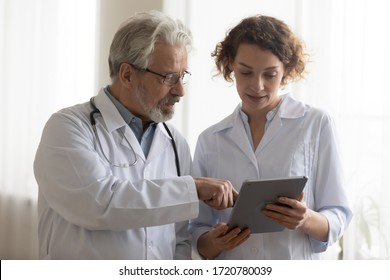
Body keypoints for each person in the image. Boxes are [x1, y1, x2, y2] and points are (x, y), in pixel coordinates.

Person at [33, 10, 238, 260]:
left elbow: (179, 238)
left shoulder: (175, 144)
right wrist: (191, 189)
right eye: (169, 77)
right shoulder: (68, 128)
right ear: (128, 75)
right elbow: (100, 205)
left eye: (182, 76)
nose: (180, 90)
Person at [189, 14, 352, 260]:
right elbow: (196, 231)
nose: (257, 86)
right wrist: (213, 241)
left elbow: (338, 213)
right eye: (246, 72)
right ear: (231, 65)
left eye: (270, 74)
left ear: (286, 70)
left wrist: (306, 219)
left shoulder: (316, 124)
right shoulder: (210, 140)